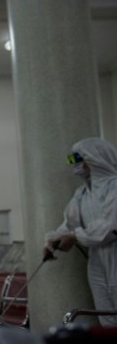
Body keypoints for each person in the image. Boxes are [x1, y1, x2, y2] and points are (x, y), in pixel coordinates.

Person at [44, 137, 117, 326]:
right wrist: (54, 240)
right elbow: (69, 224)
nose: (74, 164)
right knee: (106, 314)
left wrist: (75, 236)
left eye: (77, 158)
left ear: (95, 158)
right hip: (97, 262)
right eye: (71, 159)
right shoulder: (82, 194)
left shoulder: (114, 187)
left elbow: (110, 226)